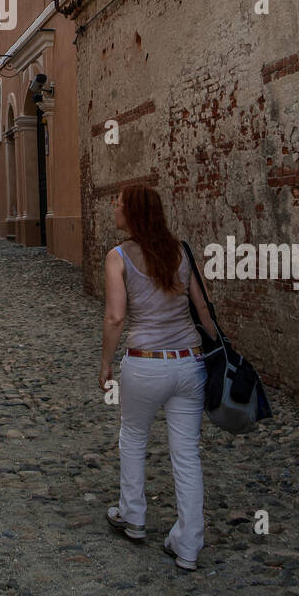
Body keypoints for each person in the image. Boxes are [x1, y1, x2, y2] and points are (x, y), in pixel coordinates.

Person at [99, 184, 217, 572]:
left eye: (117, 205)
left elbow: (116, 317)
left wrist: (105, 364)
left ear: (131, 213)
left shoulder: (117, 257)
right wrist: (219, 355)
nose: (114, 210)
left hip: (146, 362)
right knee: (186, 453)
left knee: (132, 437)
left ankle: (133, 517)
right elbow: (202, 308)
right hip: (189, 363)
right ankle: (188, 545)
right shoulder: (179, 251)